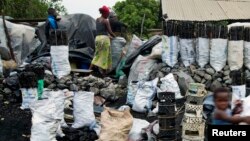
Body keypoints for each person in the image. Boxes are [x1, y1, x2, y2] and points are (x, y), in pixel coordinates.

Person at [90, 6, 116, 74]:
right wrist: (115, 37)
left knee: (97, 55)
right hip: (104, 40)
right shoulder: (105, 21)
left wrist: (108, 35)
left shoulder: (97, 19)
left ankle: (89, 70)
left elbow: (101, 31)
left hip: (97, 38)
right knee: (105, 56)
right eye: (107, 13)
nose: (108, 15)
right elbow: (110, 31)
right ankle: (104, 73)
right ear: (104, 13)